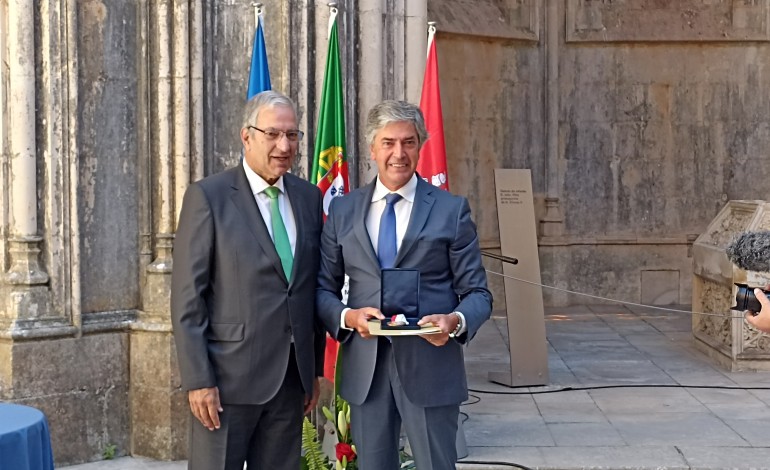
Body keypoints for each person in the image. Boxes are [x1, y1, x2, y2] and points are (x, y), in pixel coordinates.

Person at [316, 100, 493, 469]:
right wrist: (348, 317)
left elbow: (478, 294)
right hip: (367, 371)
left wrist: (455, 321)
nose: (399, 153)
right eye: (389, 143)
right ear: (372, 148)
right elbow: (322, 291)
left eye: (409, 142)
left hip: (431, 366)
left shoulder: (450, 209)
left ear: (421, 144)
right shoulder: (343, 210)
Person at [171, 90, 324, 470]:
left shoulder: (307, 198)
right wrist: (198, 380)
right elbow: (188, 300)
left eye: (292, 135)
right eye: (272, 134)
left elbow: (307, 289)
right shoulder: (209, 197)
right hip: (226, 385)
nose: (284, 145)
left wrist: (312, 370)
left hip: (290, 381)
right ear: (247, 136)